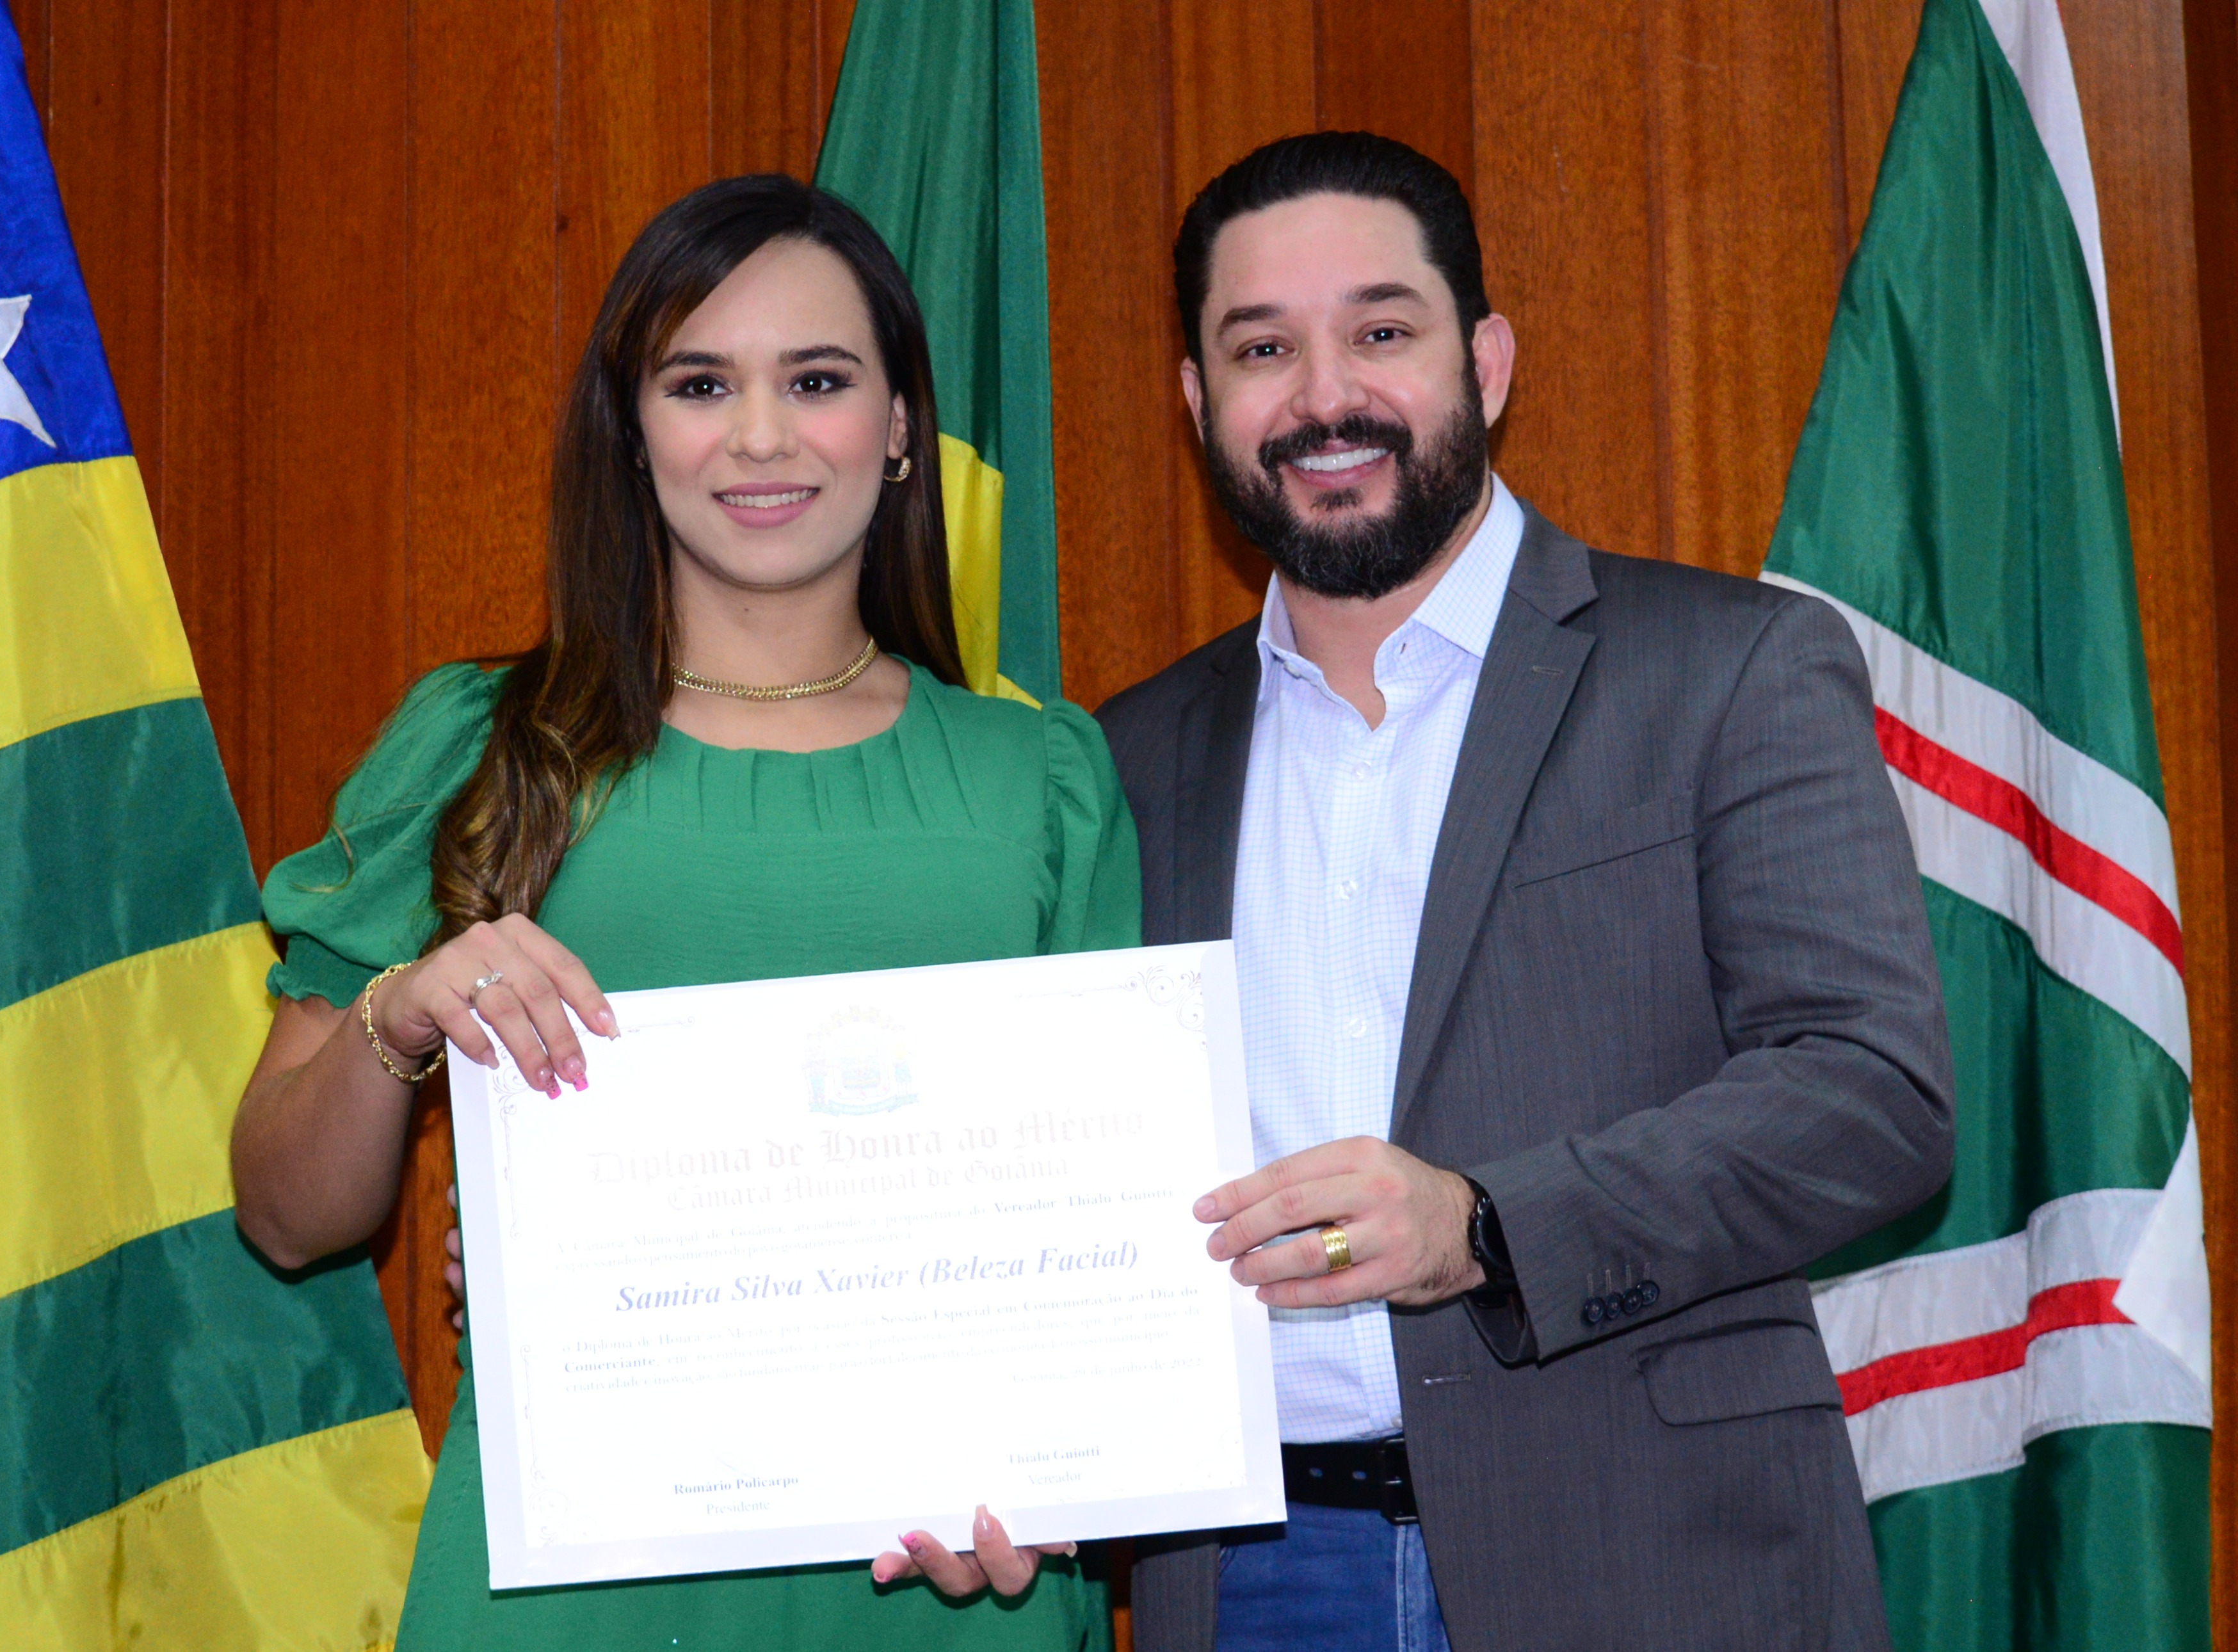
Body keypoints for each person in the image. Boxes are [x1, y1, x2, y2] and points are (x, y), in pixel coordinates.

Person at [229, 173, 1132, 1651]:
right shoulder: (482, 747)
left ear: (901, 426)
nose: (760, 435)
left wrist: (1077, 1469)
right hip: (575, 1589)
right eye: (701, 383)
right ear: (631, 429)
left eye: (818, 381)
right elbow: (284, 1216)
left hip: (955, 1588)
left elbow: (1113, 1229)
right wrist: (401, 1012)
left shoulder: (1045, 781)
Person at [1095, 133, 1956, 1652]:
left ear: (1485, 363)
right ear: (1197, 401)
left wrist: (1485, 1225)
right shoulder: (1126, 757)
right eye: (1261, 349)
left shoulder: (1730, 668)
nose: (1323, 397)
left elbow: (1872, 1094)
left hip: (1647, 1554)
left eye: (1379, 331)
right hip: (1250, 1581)